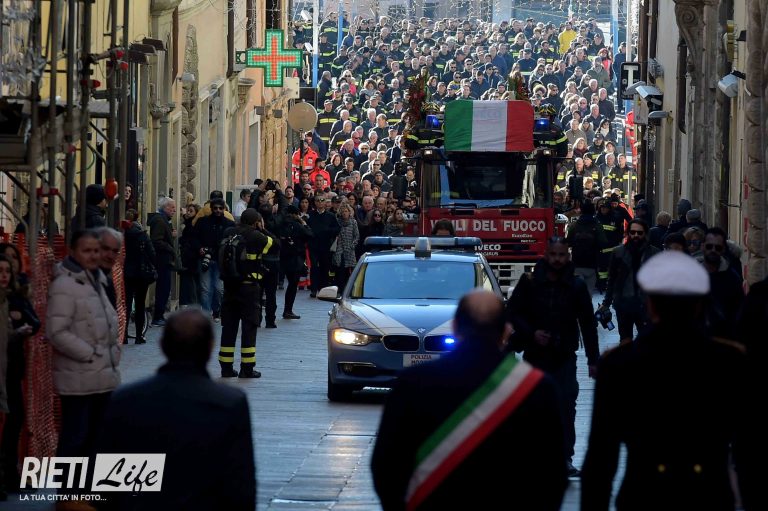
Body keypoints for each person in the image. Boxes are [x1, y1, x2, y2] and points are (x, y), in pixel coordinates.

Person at [581, 251, 762, 510]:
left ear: (650, 304)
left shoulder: (619, 364)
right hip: (708, 496)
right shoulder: (729, 362)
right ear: (699, 305)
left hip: (644, 495)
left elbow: (601, 457)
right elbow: (749, 451)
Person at [372, 290, 568, 510]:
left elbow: (386, 465)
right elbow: (553, 474)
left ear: (455, 327)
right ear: (506, 331)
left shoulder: (412, 383)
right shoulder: (537, 388)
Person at [95, 309, 256, 510]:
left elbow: (106, 484)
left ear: (162, 345)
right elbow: (241, 486)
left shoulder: (125, 400)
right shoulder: (229, 404)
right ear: (210, 347)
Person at [506, 236, 600, 477]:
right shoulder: (530, 282)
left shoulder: (576, 285)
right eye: (554, 255)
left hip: (564, 355)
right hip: (535, 354)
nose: (557, 260)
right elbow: (513, 312)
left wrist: (593, 360)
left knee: (566, 405)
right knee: (534, 405)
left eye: (562, 255)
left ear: (568, 256)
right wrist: (532, 333)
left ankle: (564, 456)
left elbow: (588, 323)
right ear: (546, 255)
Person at [46, 230, 120, 505]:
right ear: (73, 252)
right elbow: (56, 331)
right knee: (75, 438)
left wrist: (113, 352)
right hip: (78, 379)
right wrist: (90, 354)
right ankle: (69, 497)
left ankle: (88, 494)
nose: (93, 256)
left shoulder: (97, 279)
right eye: (87, 251)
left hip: (101, 376)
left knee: (95, 438)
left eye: (96, 250)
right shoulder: (65, 285)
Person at [0, 254, 39, 498]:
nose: (5, 274)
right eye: (1, 270)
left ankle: (10, 476)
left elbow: (33, 321)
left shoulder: (13, 297)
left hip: (11, 370)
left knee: (14, 421)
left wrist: (19, 329)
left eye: (8, 269)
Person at [219, 209, 272, 378]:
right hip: (249, 288)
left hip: (229, 287)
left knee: (229, 327)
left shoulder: (228, 232)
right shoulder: (256, 236)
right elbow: (275, 244)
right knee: (249, 327)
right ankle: (247, 368)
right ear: (256, 222)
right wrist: (263, 228)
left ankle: (226, 368)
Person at [598, 218, 660, 342]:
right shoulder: (618, 252)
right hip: (624, 303)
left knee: (647, 340)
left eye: (639, 233)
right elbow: (612, 279)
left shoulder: (654, 253)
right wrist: (606, 303)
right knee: (625, 339)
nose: (636, 235)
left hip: (645, 305)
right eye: (632, 232)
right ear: (628, 233)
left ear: (645, 234)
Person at [122, 209, 156, 344]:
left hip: (126, 273)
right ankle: (138, 336)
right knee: (140, 304)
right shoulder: (142, 235)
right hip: (141, 273)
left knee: (126, 304)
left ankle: (124, 335)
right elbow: (152, 254)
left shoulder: (122, 235)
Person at [279, 205, 313, 319]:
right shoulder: (297, 225)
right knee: (293, 285)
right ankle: (288, 310)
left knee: (290, 283)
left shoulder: (281, 224)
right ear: (295, 214)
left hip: (283, 258)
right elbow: (309, 234)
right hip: (295, 258)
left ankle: (287, 310)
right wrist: (304, 223)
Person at [148, 197, 176, 327]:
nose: (174, 210)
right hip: (162, 259)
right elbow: (156, 240)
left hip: (164, 259)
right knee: (163, 287)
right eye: (172, 207)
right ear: (165, 207)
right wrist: (169, 247)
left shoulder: (164, 220)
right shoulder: (160, 220)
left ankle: (160, 315)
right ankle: (158, 316)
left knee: (164, 287)